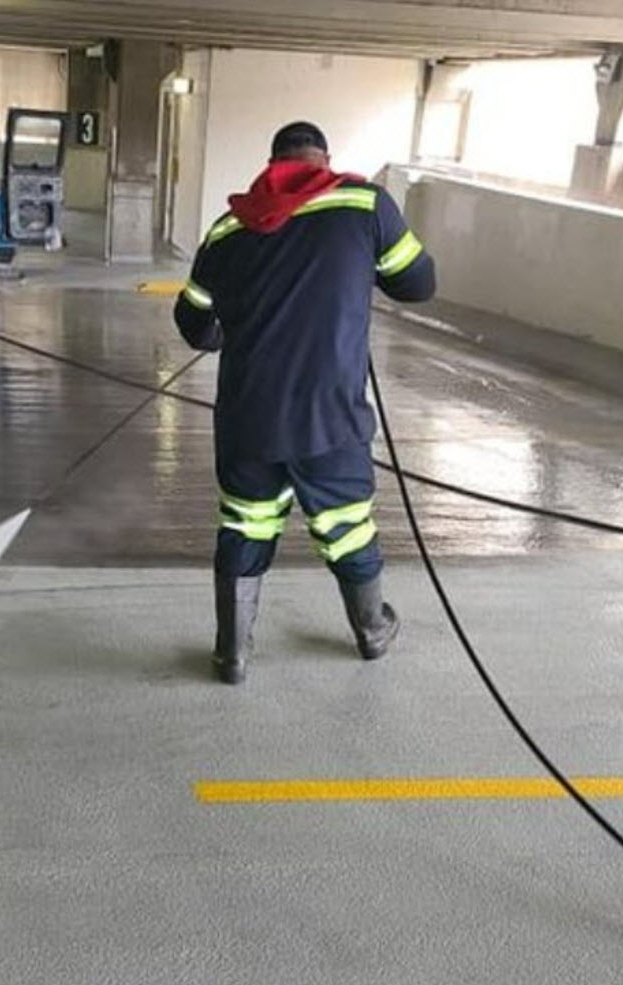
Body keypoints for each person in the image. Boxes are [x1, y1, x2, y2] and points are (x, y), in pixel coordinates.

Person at [173, 121, 437, 685]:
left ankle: (233, 653)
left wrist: (223, 335)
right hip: (329, 415)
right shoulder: (365, 205)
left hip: (249, 418)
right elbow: (418, 284)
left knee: (245, 524)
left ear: (270, 165)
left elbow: (192, 321)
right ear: (323, 159)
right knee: (347, 525)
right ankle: (371, 631)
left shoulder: (226, 229)